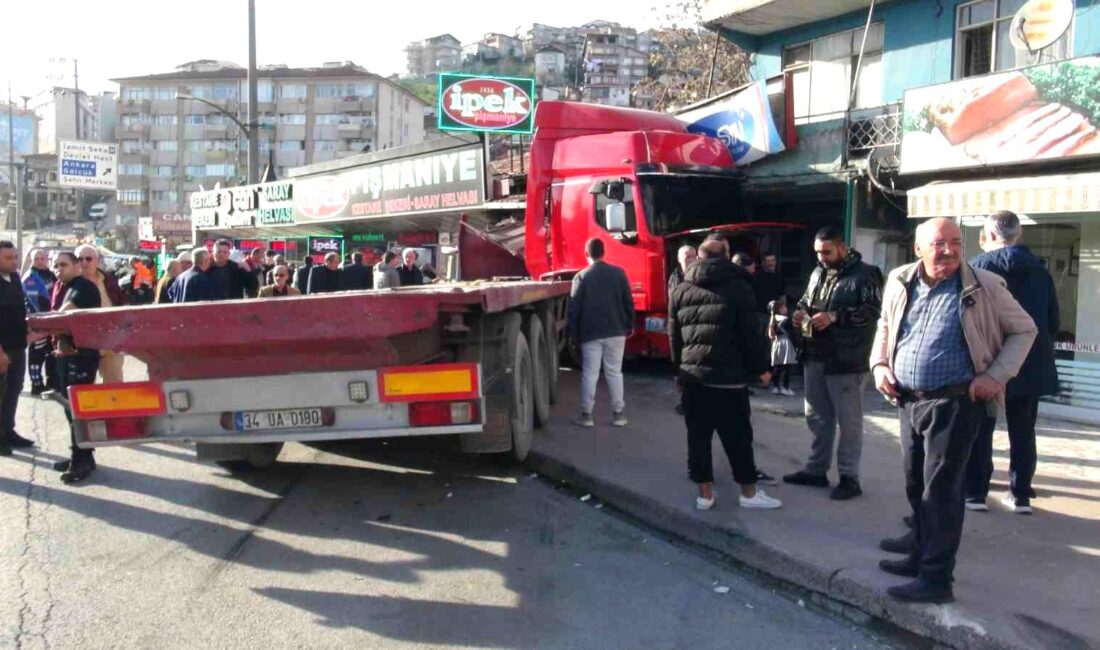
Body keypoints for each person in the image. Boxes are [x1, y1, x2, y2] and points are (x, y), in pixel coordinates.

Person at [871, 217, 1036, 604]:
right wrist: (879, 364)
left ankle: (936, 579)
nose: (948, 250)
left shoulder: (985, 285)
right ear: (918, 249)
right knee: (916, 483)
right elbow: (885, 324)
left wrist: (997, 376)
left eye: (955, 242)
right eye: (938, 243)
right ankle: (919, 553)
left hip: (955, 402)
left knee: (942, 491)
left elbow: (1025, 330)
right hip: (907, 398)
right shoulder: (899, 279)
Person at [669, 239, 782, 510]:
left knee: (698, 438)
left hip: (694, 379)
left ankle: (705, 496)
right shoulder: (739, 288)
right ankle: (749, 494)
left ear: (699, 257)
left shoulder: (680, 290)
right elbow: (750, 336)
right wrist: (762, 369)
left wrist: (678, 374)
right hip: (730, 381)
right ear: (727, 256)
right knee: (739, 439)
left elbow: (674, 338)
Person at [964, 210, 1059, 514]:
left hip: (987, 361)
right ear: (1017, 235)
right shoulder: (1040, 272)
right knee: (1023, 430)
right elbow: (1053, 321)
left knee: (981, 427)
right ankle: (1020, 495)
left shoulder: (977, 268)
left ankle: (976, 493)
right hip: (1030, 361)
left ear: (990, 235)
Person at [784, 226, 883, 501]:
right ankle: (816, 470)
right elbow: (805, 300)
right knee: (816, 417)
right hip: (814, 354)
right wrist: (800, 314)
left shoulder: (867, 274)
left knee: (848, 423)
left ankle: (849, 478)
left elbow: (874, 312)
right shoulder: (817, 272)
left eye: (826, 252)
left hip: (847, 360)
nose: (822, 257)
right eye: (817, 252)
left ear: (842, 248)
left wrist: (835, 317)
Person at [566, 238, 634, 427]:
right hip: (616, 331)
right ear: (604, 252)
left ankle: (587, 415)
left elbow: (574, 309)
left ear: (586, 254)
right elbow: (628, 301)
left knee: (590, 373)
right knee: (614, 372)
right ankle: (619, 414)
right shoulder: (619, 273)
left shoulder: (581, 277)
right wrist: (629, 324)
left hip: (590, 333)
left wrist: (572, 334)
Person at [48, 251, 103, 483]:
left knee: (77, 410)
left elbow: (62, 316)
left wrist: (39, 323)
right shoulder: (66, 286)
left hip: (81, 357)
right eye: (56, 265)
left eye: (64, 265)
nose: (59, 269)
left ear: (76, 266)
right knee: (70, 410)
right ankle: (83, 455)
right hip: (68, 356)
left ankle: (80, 462)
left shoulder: (83, 287)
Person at [74, 244, 128, 384]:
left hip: (110, 339)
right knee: (83, 387)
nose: (84, 262)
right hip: (83, 342)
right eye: (80, 259)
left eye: (88, 259)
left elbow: (120, 302)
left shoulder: (107, 279)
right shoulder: (68, 282)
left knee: (114, 384)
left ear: (96, 261)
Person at [0, 241, 33, 455]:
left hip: (17, 346)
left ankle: (7, 431)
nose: (14, 261)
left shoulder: (14, 279)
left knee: (14, 389)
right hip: (2, 350)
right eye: (8, 258)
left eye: (15, 257)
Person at [22, 248, 57, 395]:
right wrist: (37, 323)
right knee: (37, 354)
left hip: (52, 321)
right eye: (36, 258)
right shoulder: (30, 277)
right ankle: (37, 384)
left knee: (51, 352)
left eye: (42, 258)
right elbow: (32, 302)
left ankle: (51, 382)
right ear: (31, 260)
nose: (40, 261)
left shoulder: (51, 275)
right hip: (39, 321)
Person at [768, 297, 798, 397]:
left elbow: (770, 334)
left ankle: (776, 387)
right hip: (786, 343)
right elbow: (792, 333)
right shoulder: (786, 320)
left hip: (776, 343)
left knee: (778, 366)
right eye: (784, 307)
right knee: (788, 366)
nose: (786, 308)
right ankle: (786, 387)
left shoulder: (773, 320)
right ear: (780, 308)